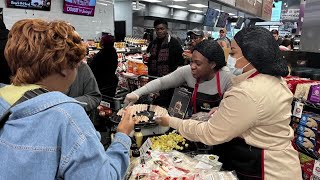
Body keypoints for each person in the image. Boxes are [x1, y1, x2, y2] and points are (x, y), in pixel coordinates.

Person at [152, 27, 302, 179]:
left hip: (265, 169)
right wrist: (224, 109)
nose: (230, 58)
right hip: (284, 163)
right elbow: (257, 112)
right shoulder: (273, 79)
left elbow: (210, 133)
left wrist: (170, 121)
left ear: (251, 55)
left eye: (233, 53)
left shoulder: (247, 91)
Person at [0, 19, 135, 179]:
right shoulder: (67, 115)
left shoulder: (4, 98)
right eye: (77, 65)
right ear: (64, 67)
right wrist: (123, 136)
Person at [125, 39, 234, 115]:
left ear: (212, 64)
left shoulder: (226, 78)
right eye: (191, 62)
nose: (193, 67)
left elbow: (235, 107)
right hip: (192, 126)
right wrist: (136, 93)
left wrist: (219, 110)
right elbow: (161, 83)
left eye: (198, 63)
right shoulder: (187, 71)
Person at [145, 18, 185, 107]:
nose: (159, 31)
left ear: (166, 29)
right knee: (155, 105)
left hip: (169, 81)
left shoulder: (174, 43)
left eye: (162, 29)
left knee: (166, 105)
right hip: (154, 80)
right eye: (157, 29)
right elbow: (148, 59)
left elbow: (180, 62)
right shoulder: (153, 44)